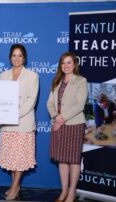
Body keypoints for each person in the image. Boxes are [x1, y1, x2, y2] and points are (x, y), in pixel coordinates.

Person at [0, 44, 39, 200]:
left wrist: (13, 114)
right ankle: (14, 184)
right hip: (7, 125)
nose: (17, 58)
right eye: (14, 55)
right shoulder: (3, 76)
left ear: (24, 58)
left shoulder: (32, 76)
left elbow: (31, 101)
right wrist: (2, 115)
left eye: (20, 55)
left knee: (20, 158)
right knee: (11, 157)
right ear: (10, 57)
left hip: (23, 122)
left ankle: (15, 187)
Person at [47, 52, 88, 202]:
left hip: (74, 124)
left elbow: (79, 105)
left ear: (75, 64)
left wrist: (61, 119)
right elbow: (49, 103)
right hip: (58, 124)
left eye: (69, 63)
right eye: (63, 63)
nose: (66, 66)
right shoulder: (56, 81)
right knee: (62, 160)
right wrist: (55, 117)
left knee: (73, 160)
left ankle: (72, 193)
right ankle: (63, 191)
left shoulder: (81, 81)